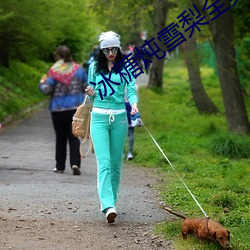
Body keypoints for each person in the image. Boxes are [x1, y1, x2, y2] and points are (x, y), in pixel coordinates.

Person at [85, 31, 139, 223]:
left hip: (120, 118)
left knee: (116, 164)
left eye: (113, 49)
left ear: (118, 48)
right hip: (99, 117)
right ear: (101, 50)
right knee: (105, 163)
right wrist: (90, 92)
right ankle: (107, 205)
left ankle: (112, 201)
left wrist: (133, 104)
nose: (110, 53)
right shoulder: (94, 67)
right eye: (106, 50)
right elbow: (91, 95)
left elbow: (131, 90)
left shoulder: (126, 67)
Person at [39, 45, 88, 175]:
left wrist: (42, 83)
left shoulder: (54, 71)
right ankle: (75, 163)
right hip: (75, 109)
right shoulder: (79, 70)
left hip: (58, 109)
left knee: (60, 138)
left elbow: (47, 90)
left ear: (58, 57)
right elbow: (86, 87)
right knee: (74, 137)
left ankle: (60, 166)